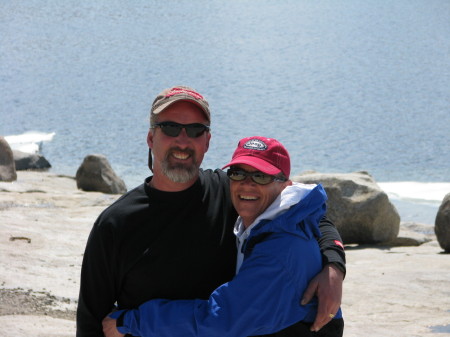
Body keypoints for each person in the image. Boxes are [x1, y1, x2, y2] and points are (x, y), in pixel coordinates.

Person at [76, 86, 346, 336]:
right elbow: (92, 320)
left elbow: (307, 215)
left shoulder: (236, 193)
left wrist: (334, 266)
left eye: (195, 130)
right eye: (170, 127)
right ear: (150, 137)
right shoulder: (116, 223)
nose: (183, 140)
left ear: (207, 141)